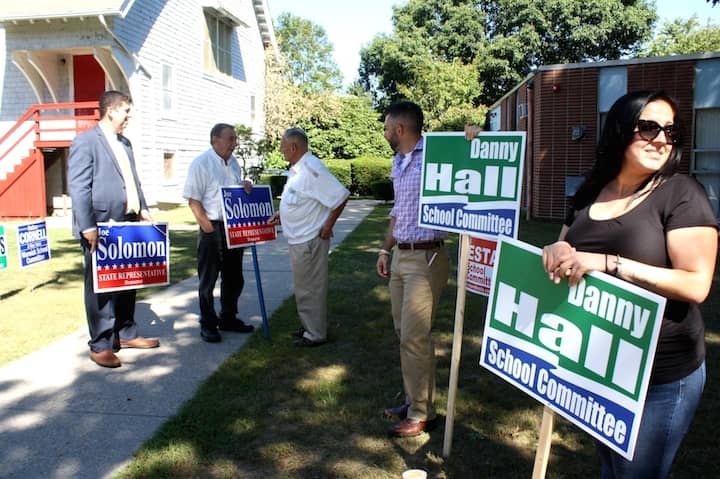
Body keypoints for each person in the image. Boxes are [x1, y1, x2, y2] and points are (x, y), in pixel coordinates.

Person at [542, 90, 717, 478]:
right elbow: (567, 244)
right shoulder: (591, 190)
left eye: (671, 131)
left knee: (637, 473)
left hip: (661, 374)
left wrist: (611, 264)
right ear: (621, 129)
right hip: (600, 363)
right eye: (649, 127)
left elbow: (697, 284)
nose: (661, 139)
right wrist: (556, 247)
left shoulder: (682, 193)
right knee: (611, 467)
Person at [68, 90, 160, 369]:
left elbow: (133, 180)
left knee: (128, 281)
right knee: (101, 287)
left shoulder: (126, 144)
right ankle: (101, 344)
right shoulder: (85, 142)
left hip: (127, 222)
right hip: (100, 226)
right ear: (111, 111)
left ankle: (126, 333)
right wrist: (87, 226)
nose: (129, 116)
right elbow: (79, 187)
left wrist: (142, 208)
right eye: (126, 111)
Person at [376, 101, 450, 437]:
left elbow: (474, 157)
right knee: (403, 334)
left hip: (427, 258)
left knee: (415, 336)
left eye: (387, 127)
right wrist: (384, 248)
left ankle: (422, 413)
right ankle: (413, 399)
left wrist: (473, 137)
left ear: (401, 129)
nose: (385, 132)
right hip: (401, 257)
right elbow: (397, 211)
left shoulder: (436, 153)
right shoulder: (399, 160)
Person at [268, 128, 349, 347]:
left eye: (283, 145)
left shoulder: (312, 169)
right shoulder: (298, 171)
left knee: (310, 288)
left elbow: (341, 196)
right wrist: (282, 215)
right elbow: (302, 201)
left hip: (309, 240)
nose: (281, 149)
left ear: (294, 147)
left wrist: (328, 225)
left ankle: (314, 334)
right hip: (299, 239)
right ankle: (309, 326)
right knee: (305, 287)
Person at [183, 123, 255, 343]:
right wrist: (205, 226)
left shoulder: (233, 164)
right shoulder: (201, 164)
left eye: (235, 139)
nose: (235, 143)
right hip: (210, 226)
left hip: (233, 227)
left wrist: (244, 185)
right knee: (209, 278)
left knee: (234, 277)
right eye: (231, 139)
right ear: (215, 139)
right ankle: (208, 323)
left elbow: (232, 192)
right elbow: (193, 199)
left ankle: (228, 317)